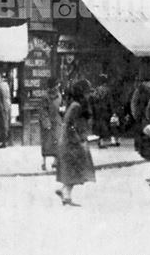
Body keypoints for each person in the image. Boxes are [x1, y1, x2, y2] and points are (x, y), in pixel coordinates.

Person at [54, 78, 95, 206]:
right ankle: (66, 195)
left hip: (71, 141)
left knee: (74, 169)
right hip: (70, 142)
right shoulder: (76, 106)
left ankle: (64, 191)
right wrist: (77, 138)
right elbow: (69, 124)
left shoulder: (76, 104)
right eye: (87, 92)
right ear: (82, 93)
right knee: (74, 169)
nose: (89, 95)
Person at [38, 79, 63, 171]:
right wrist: (46, 123)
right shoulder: (45, 96)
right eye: (56, 85)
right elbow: (43, 111)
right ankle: (44, 162)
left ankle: (55, 162)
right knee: (46, 144)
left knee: (57, 141)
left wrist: (62, 111)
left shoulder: (59, 95)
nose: (58, 87)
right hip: (48, 123)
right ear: (52, 86)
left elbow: (61, 106)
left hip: (57, 121)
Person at [0, 73, 13, 146]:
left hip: (3, 107)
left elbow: (3, 97)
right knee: (6, 123)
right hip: (6, 106)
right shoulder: (5, 85)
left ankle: (4, 141)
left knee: (4, 124)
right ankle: (5, 141)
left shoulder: (1, 85)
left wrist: (2, 107)